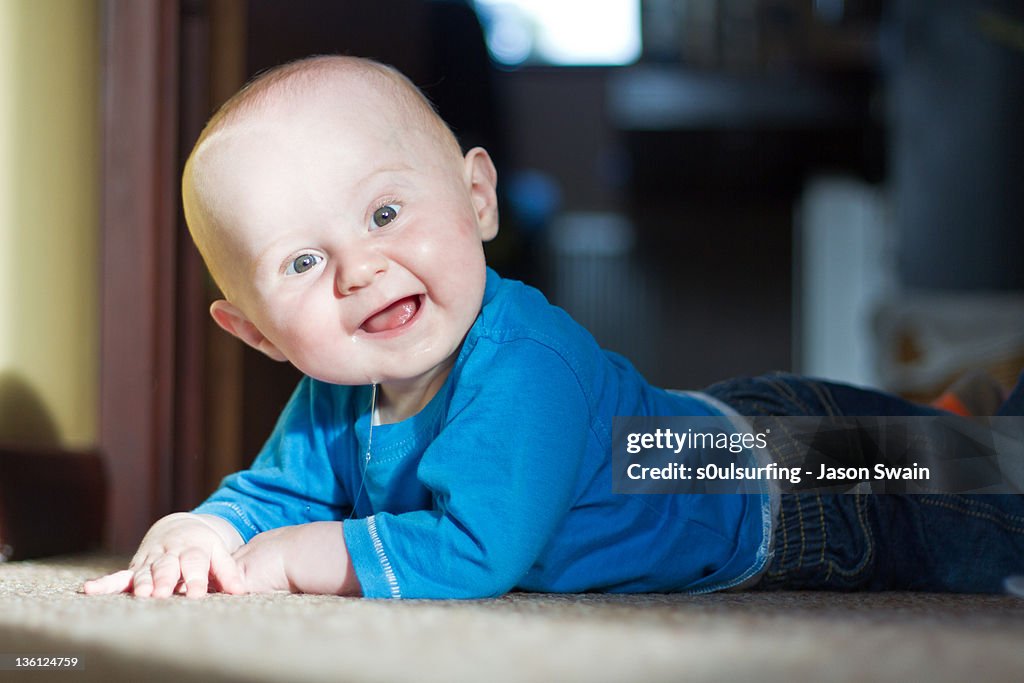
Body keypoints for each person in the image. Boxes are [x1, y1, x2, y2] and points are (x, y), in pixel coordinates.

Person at [84, 56, 1024, 600]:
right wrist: (205, 527)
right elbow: (274, 493)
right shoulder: (337, 392)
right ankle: (946, 419)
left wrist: (294, 560)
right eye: (301, 263)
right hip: (690, 442)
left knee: (993, 494)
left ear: (478, 198)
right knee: (952, 452)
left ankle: (962, 426)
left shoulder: (524, 360)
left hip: (778, 488)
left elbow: (477, 552)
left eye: (382, 215)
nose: (359, 269)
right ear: (256, 333)